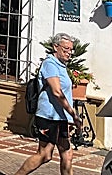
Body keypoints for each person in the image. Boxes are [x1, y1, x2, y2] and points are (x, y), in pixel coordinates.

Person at [13, 33, 80, 175]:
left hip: (60, 116)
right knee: (44, 155)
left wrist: (68, 116)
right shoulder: (50, 64)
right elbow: (57, 91)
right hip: (48, 116)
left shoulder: (61, 65)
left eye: (71, 50)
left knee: (67, 154)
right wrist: (73, 114)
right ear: (55, 47)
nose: (69, 52)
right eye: (66, 49)